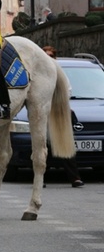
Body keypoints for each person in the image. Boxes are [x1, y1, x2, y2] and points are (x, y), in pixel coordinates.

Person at [42, 45, 84, 188]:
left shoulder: (60, 73)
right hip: (44, 113)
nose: (49, 59)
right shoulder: (39, 73)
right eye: (46, 56)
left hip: (60, 112)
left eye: (51, 56)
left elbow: (68, 91)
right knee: (43, 146)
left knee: (65, 144)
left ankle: (75, 178)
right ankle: (39, 178)